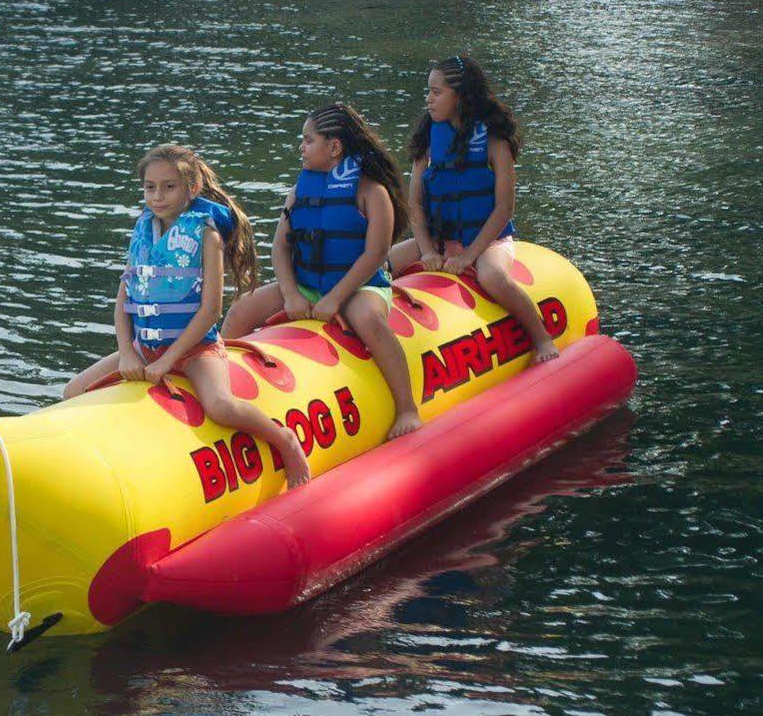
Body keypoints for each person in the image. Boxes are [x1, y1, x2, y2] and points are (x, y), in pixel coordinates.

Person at [65, 144, 312, 487]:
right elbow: (123, 301)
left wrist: (169, 361)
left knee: (221, 406)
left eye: (169, 186)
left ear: (191, 189)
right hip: (145, 348)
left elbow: (211, 310)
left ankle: (283, 438)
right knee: (72, 391)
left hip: (196, 350)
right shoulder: (143, 230)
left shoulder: (206, 234)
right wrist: (126, 351)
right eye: (150, 187)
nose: (157, 196)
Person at [222, 103, 423, 439]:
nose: (300, 147)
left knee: (368, 319)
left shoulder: (372, 193)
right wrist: (290, 293)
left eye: (308, 140)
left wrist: (335, 298)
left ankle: (406, 407)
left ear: (334, 147)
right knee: (242, 310)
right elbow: (281, 248)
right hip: (306, 284)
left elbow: (375, 255)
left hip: (361, 286)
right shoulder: (299, 193)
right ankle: (226, 390)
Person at [388, 54, 560, 363]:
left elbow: (504, 209)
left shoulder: (495, 141)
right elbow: (414, 204)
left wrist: (469, 255)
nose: (428, 99)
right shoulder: (429, 139)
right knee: (381, 264)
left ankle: (541, 337)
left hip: (488, 242)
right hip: (441, 241)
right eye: (428, 91)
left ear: (461, 95)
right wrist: (427, 250)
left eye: (436, 92)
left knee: (492, 277)